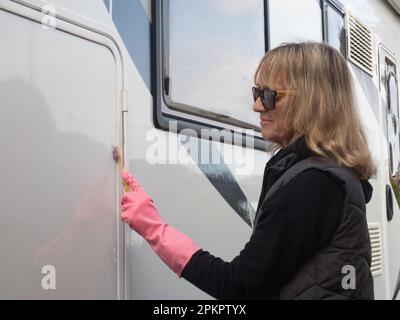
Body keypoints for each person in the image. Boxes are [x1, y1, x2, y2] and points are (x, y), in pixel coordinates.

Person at [120, 42, 376, 300]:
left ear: (310, 101)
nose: (257, 106)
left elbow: (237, 286)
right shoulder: (330, 174)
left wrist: (152, 227)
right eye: (257, 92)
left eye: (269, 95)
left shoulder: (313, 184)